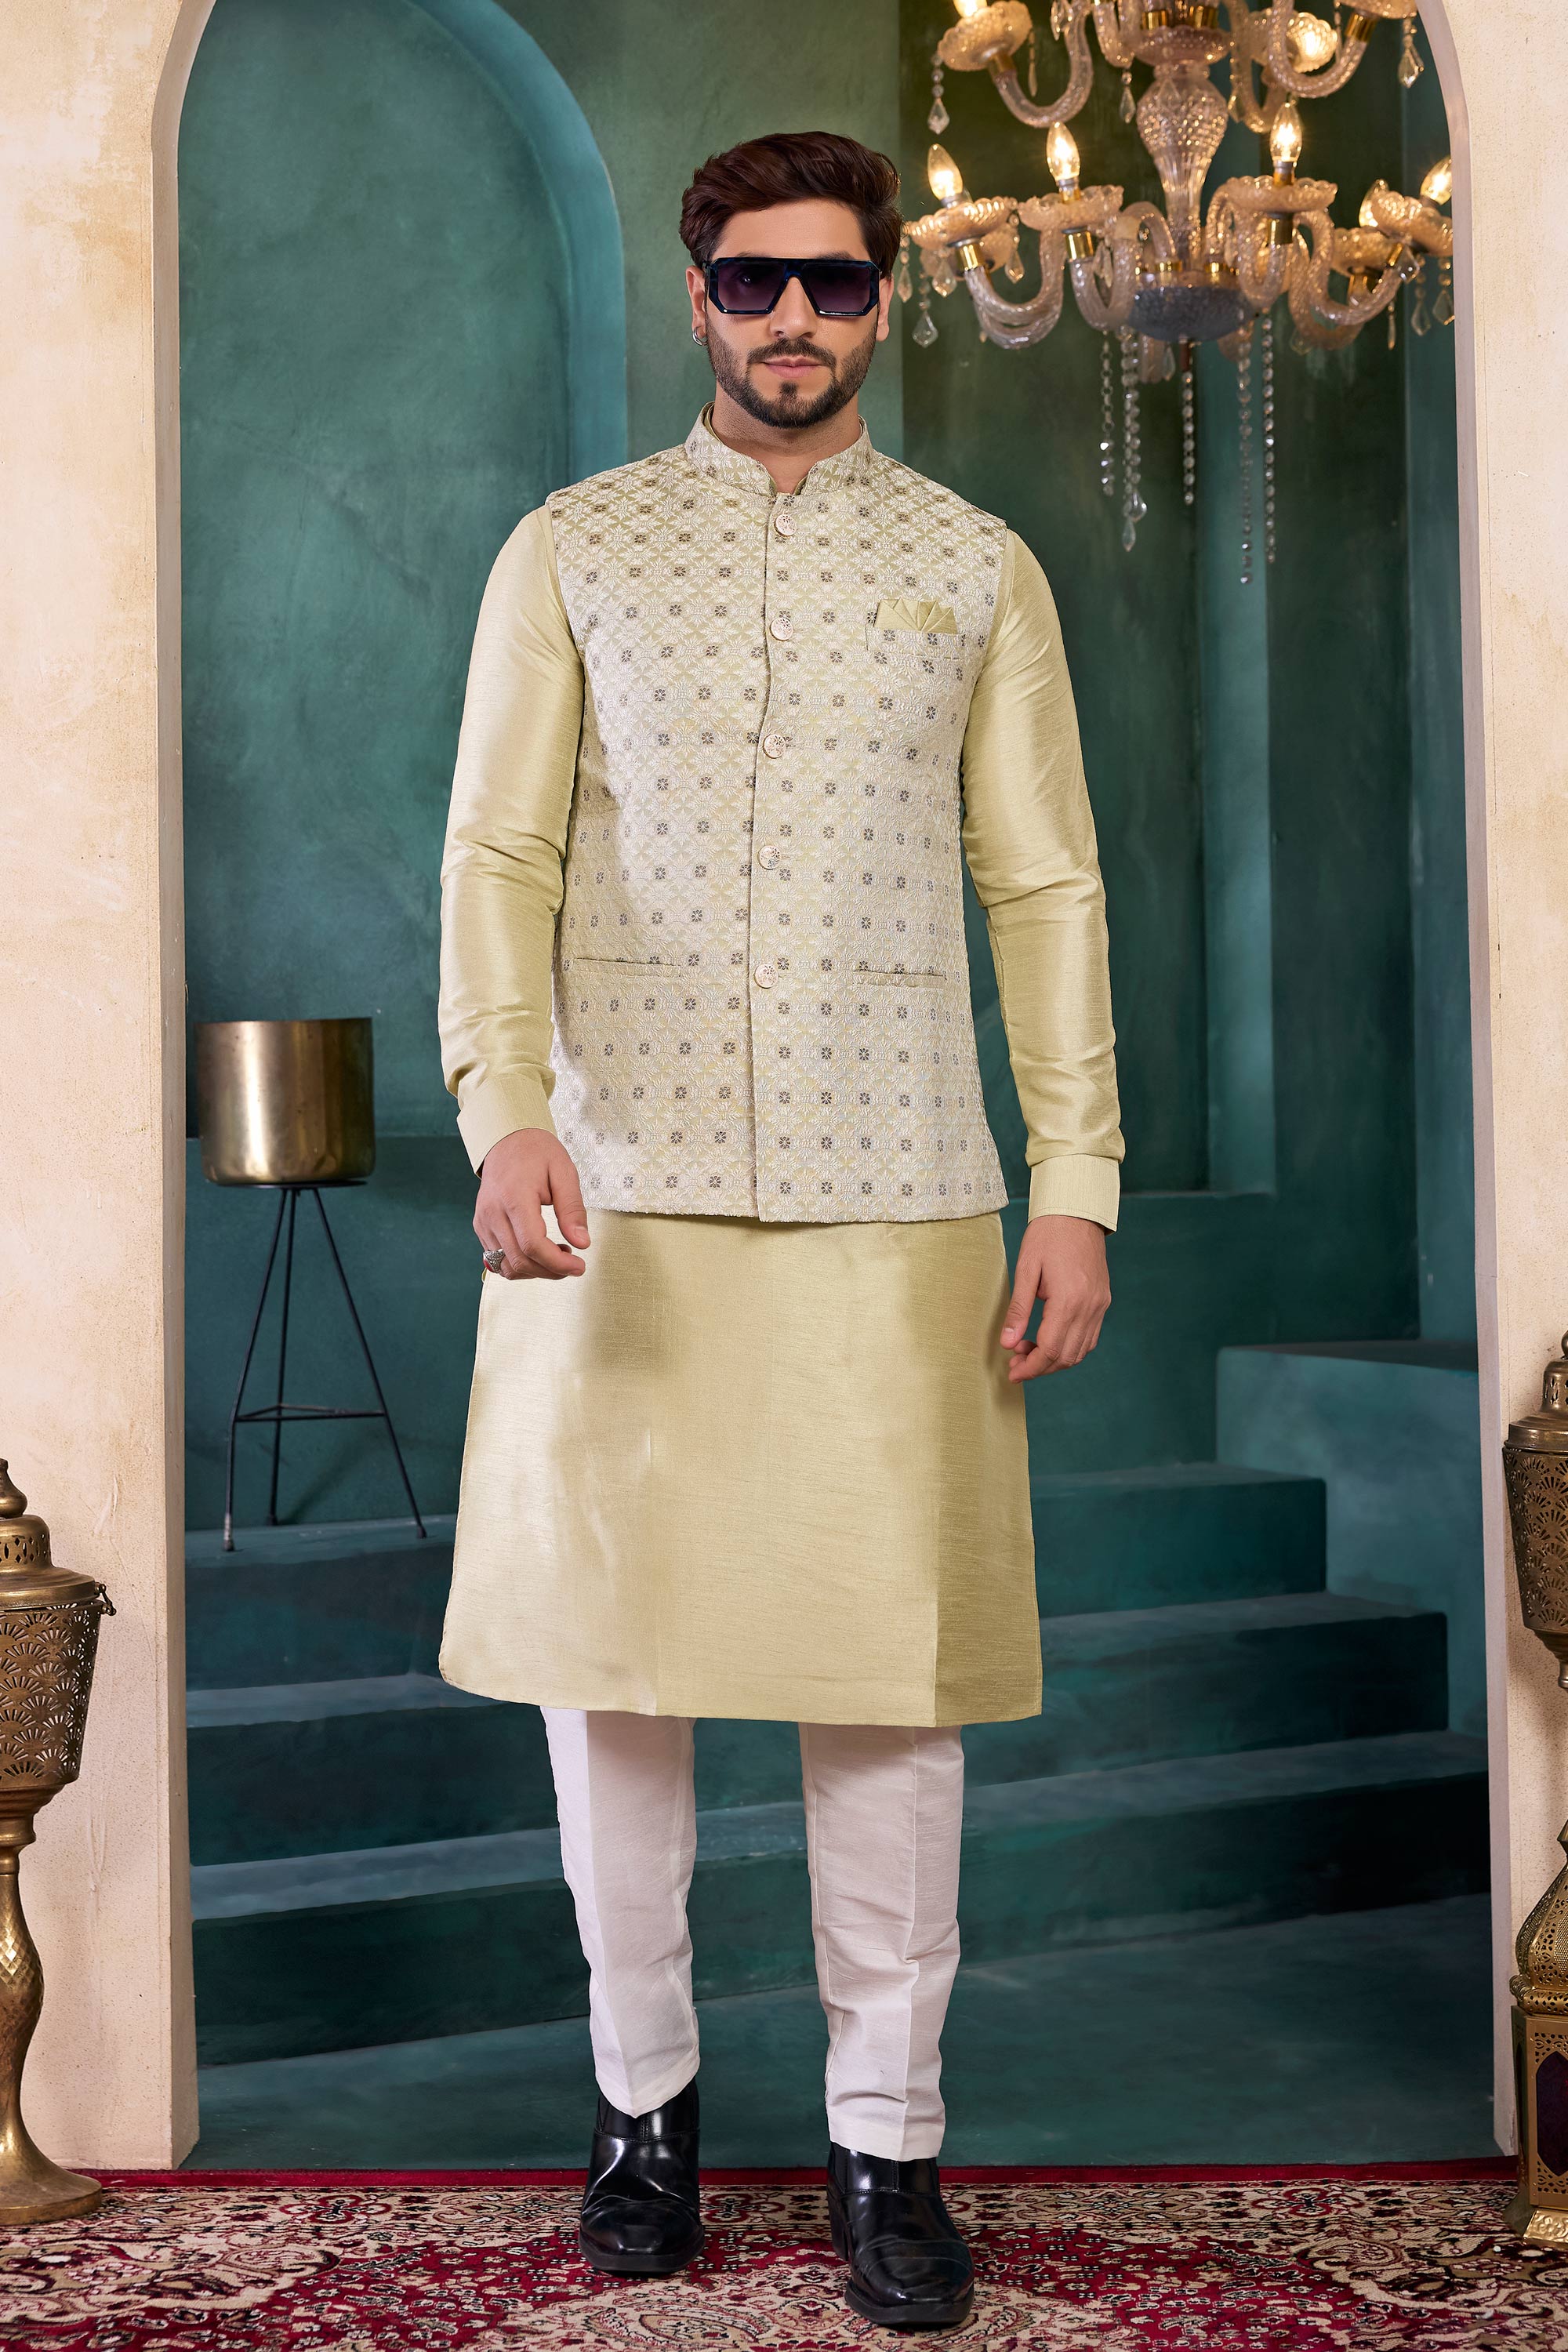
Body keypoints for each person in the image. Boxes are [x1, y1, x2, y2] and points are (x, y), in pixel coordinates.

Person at [437, 129, 1122, 2331]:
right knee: (609, 1684)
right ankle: (642, 2114)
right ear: (698, 294)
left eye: (832, 281)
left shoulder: (975, 566)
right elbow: (498, 856)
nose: (794, 319)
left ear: (885, 295)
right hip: (614, 1199)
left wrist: (1077, 1182)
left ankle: (887, 2146)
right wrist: (503, 1109)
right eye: (753, 283)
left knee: (891, 1694)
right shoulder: (573, 550)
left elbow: (1046, 886)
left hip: (897, 1198)